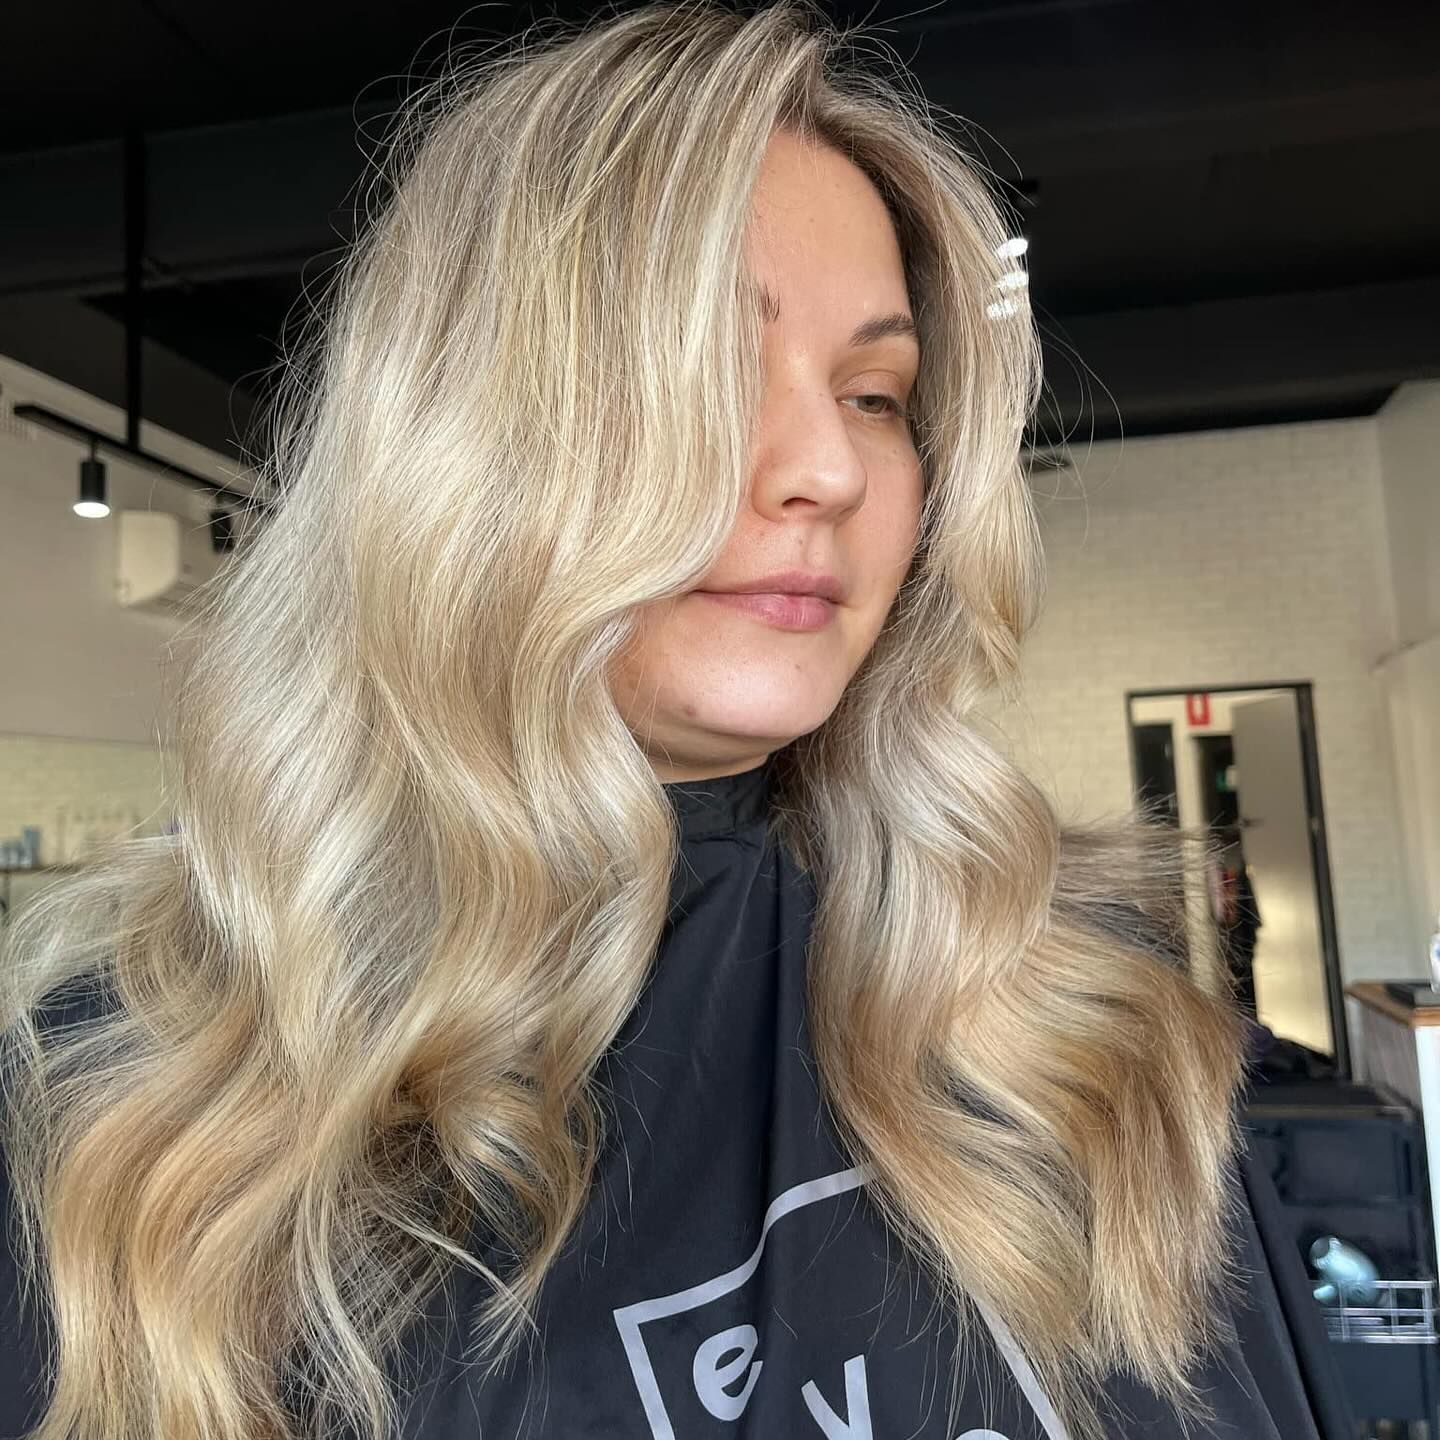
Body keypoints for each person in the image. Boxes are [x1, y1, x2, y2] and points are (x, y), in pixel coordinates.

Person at [0, 5, 1344, 1439]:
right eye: (707, 364)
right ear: (466, 429)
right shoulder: (115, 1120)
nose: (828, 465)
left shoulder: (1077, 1008)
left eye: (879, 394)